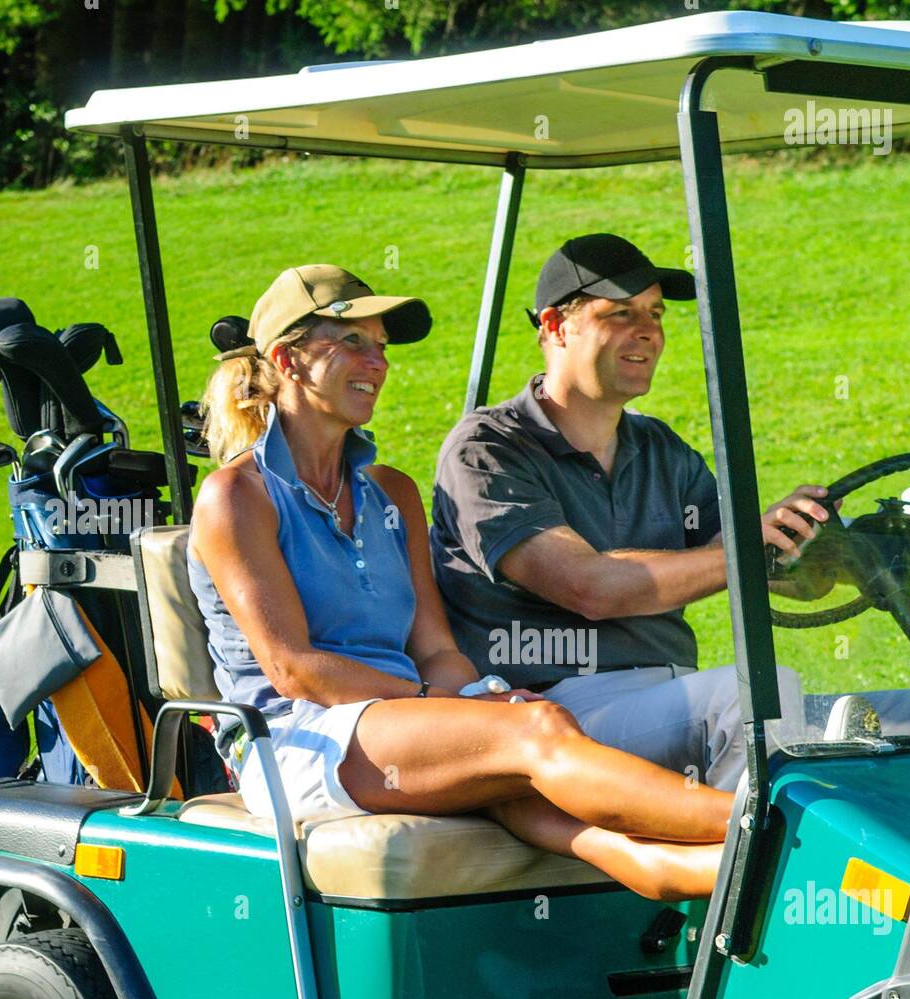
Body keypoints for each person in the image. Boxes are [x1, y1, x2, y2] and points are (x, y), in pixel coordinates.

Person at [186, 263, 731, 902]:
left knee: (593, 822)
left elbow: (437, 648)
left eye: (381, 347)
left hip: (408, 724)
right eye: (353, 342)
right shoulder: (236, 497)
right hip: (296, 739)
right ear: (289, 359)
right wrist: (444, 704)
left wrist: (469, 694)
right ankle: (778, 832)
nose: (378, 362)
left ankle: (714, 870)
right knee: (538, 731)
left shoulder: (391, 492)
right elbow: (296, 670)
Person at [430, 234, 910, 790]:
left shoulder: (660, 449)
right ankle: (747, 888)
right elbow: (591, 587)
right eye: (621, 314)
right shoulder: (488, 450)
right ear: (556, 327)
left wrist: (855, 542)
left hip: (673, 699)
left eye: (656, 314)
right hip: (552, 712)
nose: (648, 333)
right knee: (756, 699)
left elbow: (768, 575)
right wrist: (743, 546)